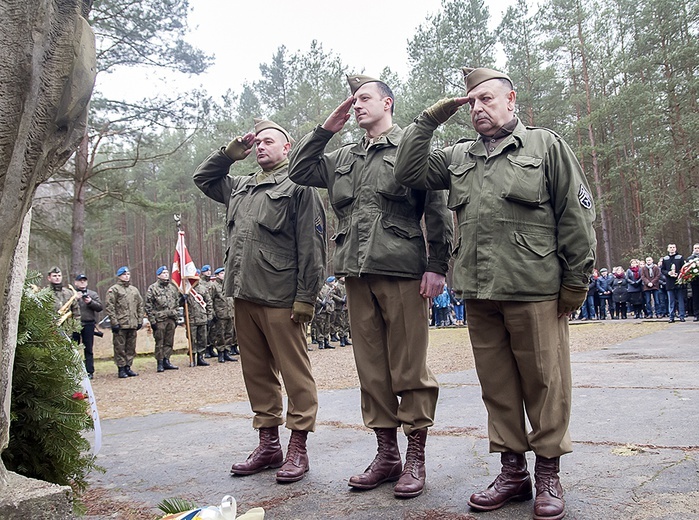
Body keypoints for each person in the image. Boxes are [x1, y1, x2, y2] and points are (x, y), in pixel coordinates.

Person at [393, 67, 596, 519]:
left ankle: (548, 474)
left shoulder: (545, 146)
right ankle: (512, 471)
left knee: (546, 383)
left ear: (511, 99)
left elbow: (577, 219)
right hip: (480, 292)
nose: (478, 108)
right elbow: (407, 171)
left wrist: (575, 283)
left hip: (535, 288)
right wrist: (429, 119)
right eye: (471, 102)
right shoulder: (459, 155)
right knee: (498, 387)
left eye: (486, 98)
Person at [288, 74, 453, 499]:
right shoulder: (342, 157)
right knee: (371, 368)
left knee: (409, 367)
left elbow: (436, 210)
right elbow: (301, 169)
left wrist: (437, 265)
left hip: (402, 271)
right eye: (352, 101)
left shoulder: (411, 150)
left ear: (388, 103)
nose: (356, 105)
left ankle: (415, 456)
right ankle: (387, 454)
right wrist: (327, 127)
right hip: (355, 274)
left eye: (364, 99)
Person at [194, 118, 326, 484]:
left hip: (281, 297)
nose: (261, 146)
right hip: (243, 293)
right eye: (257, 142)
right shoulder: (240, 186)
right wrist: (228, 154)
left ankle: (297, 446)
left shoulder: (300, 186)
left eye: (270, 141)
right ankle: (268, 444)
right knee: (255, 372)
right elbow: (204, 179)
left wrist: (306, 297)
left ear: (288, 148)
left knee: (295, 374)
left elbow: (313, 247)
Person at [104, 266, 144, 379]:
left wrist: (139, 320)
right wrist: (114, 322)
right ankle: (121, 368)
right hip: (121, 324)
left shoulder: (134, 290)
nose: (127, 276)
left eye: (128, 274)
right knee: (119, 347)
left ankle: (128, 366)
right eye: (124, 274)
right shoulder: (114, 290)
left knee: (131, 347)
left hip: (132, 323)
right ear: (119, 276)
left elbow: (140, 305)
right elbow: (110, 307)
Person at [145, 266, 180, 373]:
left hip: (171, 319)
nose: (166, 274)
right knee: (160, 341)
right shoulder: (153, 288)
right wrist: (152, 321)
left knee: (169, 341)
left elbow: (176, 303)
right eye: (163, 273)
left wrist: (176, 317)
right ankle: (160, 362)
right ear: (158, 275)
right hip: (159, 320)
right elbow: (148, 306)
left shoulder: (172, 288)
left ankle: (167, 360)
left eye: (166, 272)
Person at [73, 273, 102, 379]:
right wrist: (75, 299)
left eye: (84, 280)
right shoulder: (71, 294)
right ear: (76, 283)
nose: (82, 282)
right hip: (74, 324)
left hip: (89, 324)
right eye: (80, 281)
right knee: (74, 349)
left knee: (88, 349)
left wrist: (90, 302)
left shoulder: (92, 294)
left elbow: (99, 307)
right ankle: (74, 370)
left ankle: (90, 371)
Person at [209, 267, 238, 363]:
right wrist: (213, 313)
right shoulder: (214, 286)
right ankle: (220, 353)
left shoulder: (228, 285)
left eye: (224, 273)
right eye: (221, 273)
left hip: (230, 313)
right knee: (220, 334)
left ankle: (227, 352)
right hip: (220, 314)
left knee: (229, 334)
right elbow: (210, 300)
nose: (224, 275)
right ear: (217, 275)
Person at [185, 268, 213, 366]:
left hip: (202, 318)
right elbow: (179, 303)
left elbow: (209, 302)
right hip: (191, 319)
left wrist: (209, 316)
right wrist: (182, 297)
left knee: (203, 339)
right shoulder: (186, 289)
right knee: (192, 339)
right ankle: (192, 357)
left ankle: (201, 357)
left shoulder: (202, 288)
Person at [660, 244, 686, 322]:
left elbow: (683, 268)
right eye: (670, 248)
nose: (672, 249)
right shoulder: (665, 259)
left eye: (673, 247)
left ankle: (682, 316)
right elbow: (662, 270)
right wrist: (668, 273)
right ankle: (671, 317)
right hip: (669, 282)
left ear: (676, 248)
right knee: (671, 300)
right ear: (668, 249)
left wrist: (678, 274)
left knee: (680, 300)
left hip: (679, 281)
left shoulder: (680, 258)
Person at [197, 264, 217, 358]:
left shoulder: (212, 284)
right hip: (201, 310)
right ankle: (206, 350)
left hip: (212, 309)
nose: (209, 272)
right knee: (205, 333)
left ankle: (211, 348)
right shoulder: (200, 283)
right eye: (206, 271)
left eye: (209, 270)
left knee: (213, 331)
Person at [315, 277, 337, 350]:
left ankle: (326, 341)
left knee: (327, 326)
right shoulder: (317, 288)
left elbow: (331, 298)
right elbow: (315, 296)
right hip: (320, 309)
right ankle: (321, 342)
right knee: (320, 326)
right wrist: (320, 302)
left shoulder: (330, 289)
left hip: (328, 310)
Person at [686, 243, 699, 322]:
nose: (697, 249)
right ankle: (696, 314)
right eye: (695, 248)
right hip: (694, 282)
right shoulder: (690, 259)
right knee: (695, 298)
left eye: (698, 248)